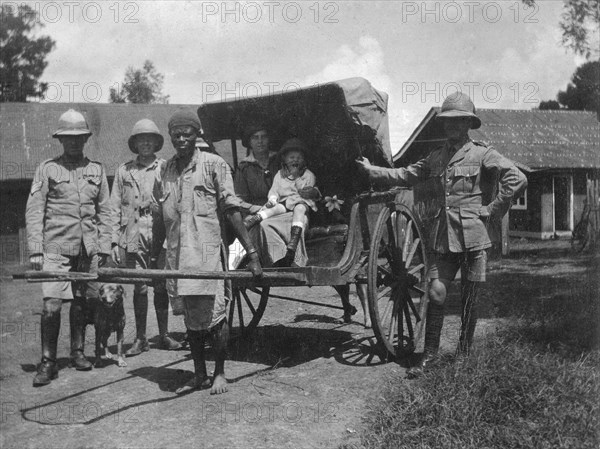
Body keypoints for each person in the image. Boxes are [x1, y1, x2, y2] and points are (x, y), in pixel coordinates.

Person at [357, 92, 527, 377]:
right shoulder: (435, 157)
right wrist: (372, 171)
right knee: (436, 292)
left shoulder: (483, 153)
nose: (452, 127)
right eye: (447, 121)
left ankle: (463, 353)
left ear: (468, 124)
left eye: (458, 121)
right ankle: (430, 356)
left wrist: (494, 209)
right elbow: (405, 175)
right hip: (442, 235)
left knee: (470, 298)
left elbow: (517, 178)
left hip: (474, 236)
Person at [152, 109, 262, 395]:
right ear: (171, 138)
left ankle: (219, 374)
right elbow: (158, 219)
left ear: (197, 134)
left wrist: (251, 253)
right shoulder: (164, 170)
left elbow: (231, 210)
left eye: (187, 133)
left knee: (214, 317)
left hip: (207, 252)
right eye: (176, 134)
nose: (181, 139)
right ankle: (199, 373)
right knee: (191, 319)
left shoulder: (215, 164)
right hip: (178, 256)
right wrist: (154, 258)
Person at [26, 109, 112, 386]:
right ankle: (48, 361)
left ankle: (77, 352)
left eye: (79, 138)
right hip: (55, 248)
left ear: (86, 139)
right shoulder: (47, 168)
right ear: (60, 140)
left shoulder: (96, 170)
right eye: (68, 138)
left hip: (87, 250)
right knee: (51, 305)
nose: (73, 142)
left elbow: (106, 212)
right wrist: (36, 248)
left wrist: (105, 246)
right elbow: (34, 209)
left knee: (81, 303)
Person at [110, 119, 182, 356]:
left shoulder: (166, 167)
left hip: (159, 231)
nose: (145, 143)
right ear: (135, 143)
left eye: (150, 139)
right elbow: (113, 207)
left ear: (156, 142)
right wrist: (112, 240)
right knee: (139, 287)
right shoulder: (124, 170)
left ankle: (163, 335)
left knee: (161, 284)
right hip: (133, 233)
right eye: (141, 139)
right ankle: (141, 338)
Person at [243, 138, 317, 267]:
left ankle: (293, 249)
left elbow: (304, 192)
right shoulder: (279, 175)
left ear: (304, 160)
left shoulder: (308, 175)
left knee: (298, 208)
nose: (295, 160)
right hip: (283, 209)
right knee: (265, 223)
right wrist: (272, 199)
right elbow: (274, 191)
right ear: (284, 160)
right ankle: (279, 258)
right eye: (291, 157)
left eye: (299, 158)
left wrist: (296, 176)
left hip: (299, 211)